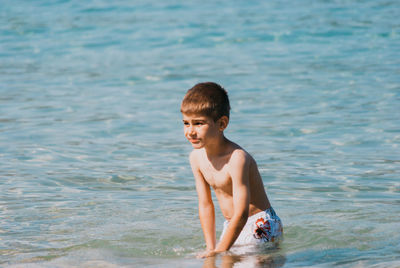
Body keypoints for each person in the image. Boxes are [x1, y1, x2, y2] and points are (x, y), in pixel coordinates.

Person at [181, 82, 283, 258]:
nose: (190, 131)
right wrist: (211, 247)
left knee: (229, 259)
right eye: (186, 123)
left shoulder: (237, 159)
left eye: (198, 123)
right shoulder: (196, 158)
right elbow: (205, 205)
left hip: (259, 223)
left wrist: (221, 250)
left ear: (221, 124)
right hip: (231, 224)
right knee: (215, 260)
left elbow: (242, 213)